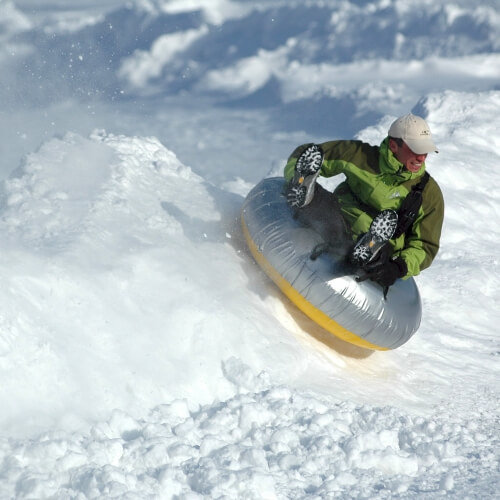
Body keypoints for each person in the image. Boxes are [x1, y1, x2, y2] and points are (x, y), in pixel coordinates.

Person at [283, 113, 444, 288]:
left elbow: (424, 246)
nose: (421, 158)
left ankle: (366, 251)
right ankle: (302, 189)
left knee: (375, 257)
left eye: (425, 151)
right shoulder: (360, 156)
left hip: (382, 246)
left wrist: (399, 267)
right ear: (393, 145)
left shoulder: (428, 193)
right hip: (337, 219)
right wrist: (294, 176)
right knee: (322, 208)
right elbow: (306, 154)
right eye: (415, 150)